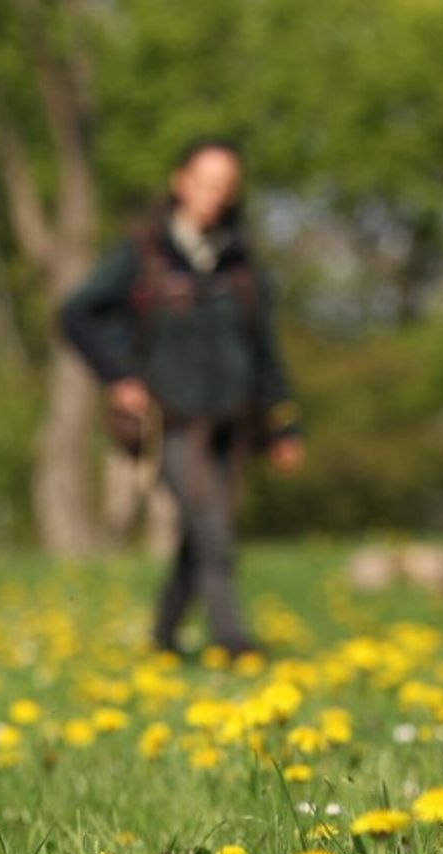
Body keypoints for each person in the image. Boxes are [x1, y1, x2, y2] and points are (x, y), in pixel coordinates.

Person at [60, 138, 304, 656]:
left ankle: (164, 636)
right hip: (169, 423)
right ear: (181, 182)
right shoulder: (142, 252)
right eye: (205, 181)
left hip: (233, 424)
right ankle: (233, 642)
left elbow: (267, 349)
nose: (214, 194)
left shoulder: (243, 261)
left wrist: (284, 426)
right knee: (211, 523)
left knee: (202, 530)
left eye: (226, 186)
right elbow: (75, 314)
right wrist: (120, 376)